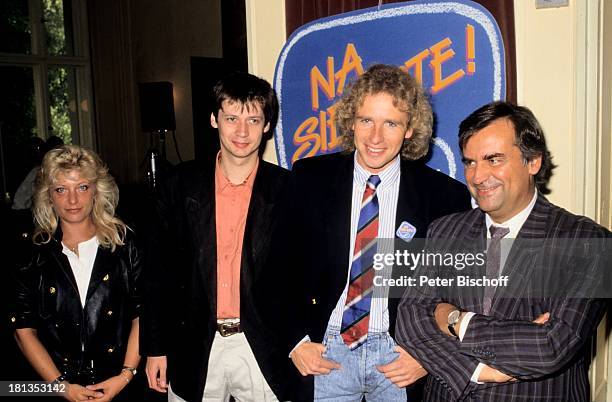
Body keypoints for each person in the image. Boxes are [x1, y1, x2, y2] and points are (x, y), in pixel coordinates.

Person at [262, 64, 471, 401]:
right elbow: (275, 272)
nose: (376, 137)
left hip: (399, 357)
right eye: (366, 121)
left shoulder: (445, 197)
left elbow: (460, 291)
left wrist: (428, 356)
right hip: (326, 353)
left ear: (409, 129)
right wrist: (295, 343)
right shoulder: (309, 179)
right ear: (351, 122)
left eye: (391, 123)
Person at [395, 101, 610, 401]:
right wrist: (476, 370)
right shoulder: (445, 231)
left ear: (533, 161)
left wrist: (456, 320)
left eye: (493, 159)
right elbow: (410, 319)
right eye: (469, 162)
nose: (477, 176)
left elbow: (550, 347)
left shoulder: (589, 242)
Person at [140, 72, 290, 401]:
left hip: (261, 346)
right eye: (232, 118)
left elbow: (299, 276)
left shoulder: (288, 190)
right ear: (214, 119)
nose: (242, 131)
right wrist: (155, 348)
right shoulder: (177, 186)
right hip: (193, 343)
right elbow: (156, 273)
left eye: (253, 120)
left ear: (267, 126)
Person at [10, 144, 142, 402]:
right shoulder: (31, 254)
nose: (72, 200)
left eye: (82, 187)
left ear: (96, 190)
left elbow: (142, 313)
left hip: (120, 385)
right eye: (61, 190)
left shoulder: (125, 245)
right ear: (49, 195)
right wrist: (61, 386)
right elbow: (23, 329)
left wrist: (124, 376)